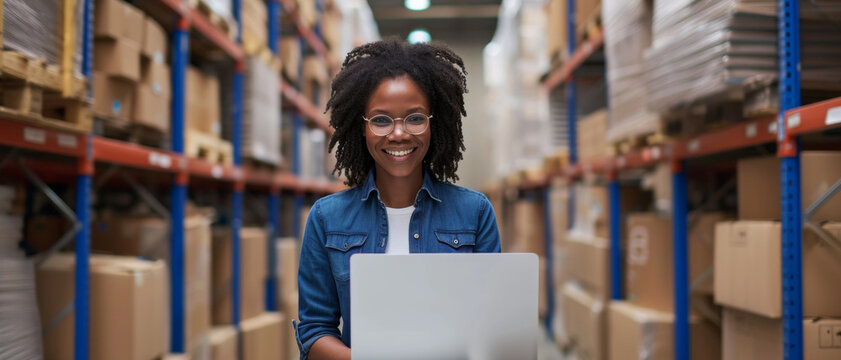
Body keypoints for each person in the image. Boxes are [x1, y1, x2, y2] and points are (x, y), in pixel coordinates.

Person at [293, 39, 501, 360]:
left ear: (435, 123)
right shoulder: (326, 218)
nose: (399, 133)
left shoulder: (474, 213)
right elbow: (314, 331)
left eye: (415, 118)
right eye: (381, 120)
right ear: (362, 128)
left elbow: (492, 328)